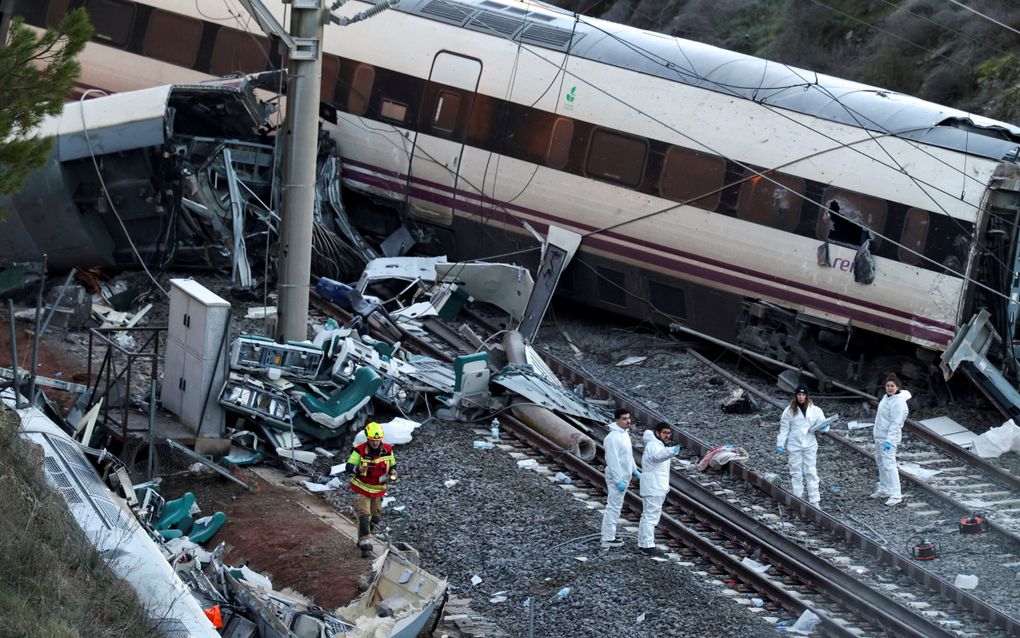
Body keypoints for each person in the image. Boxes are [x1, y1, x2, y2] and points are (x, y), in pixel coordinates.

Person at [345, 421, 396, 557]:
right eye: (373, 440)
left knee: (375, 518)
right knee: (363, 516)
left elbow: (393, 466)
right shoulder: (359, 450)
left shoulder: (387, 449)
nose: (375, 443)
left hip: (378, 489)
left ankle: (365, 535)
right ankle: (365, 545)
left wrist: (392, 473)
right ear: (368, 438)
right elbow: (348, 466)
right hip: (362, 488)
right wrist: (357, 469)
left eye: (377, 440)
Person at [776, 385, 826, 506]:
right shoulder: (789, 411)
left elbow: (823, 423)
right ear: (796, 396)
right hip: (794, 444)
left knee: (811, 471)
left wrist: (825, 427)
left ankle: (814, 501)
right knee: (796, 472)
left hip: (809, 444)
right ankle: (798, 498)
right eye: (799, 394)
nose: (801, 397)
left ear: (807, 396)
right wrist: (780, 443)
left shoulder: (815, 410)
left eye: (803, 395)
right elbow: (784, 429)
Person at [638, 422, 681, 558]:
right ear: (657, 433)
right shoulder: (654, 445)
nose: (667, 436)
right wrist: (672, 451)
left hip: (655, 486)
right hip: (654, 487)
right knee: (651, 516)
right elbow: (657, 457)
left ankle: (644, 544)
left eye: (669, 433)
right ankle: (647, 546)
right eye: (664, 433)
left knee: (649, 515)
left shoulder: (658, 444)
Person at [601, 408, 640, 549]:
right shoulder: (612, 438)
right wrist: (618, 480)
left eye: (628, 418)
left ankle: (610, 535)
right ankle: (608, 537)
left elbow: (627, 455)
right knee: (613, 506)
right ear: (617, 420)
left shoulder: (624, 434)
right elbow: (612, 460)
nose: (628, 421)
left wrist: (634, 470)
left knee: (616, 506)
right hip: (617, 477)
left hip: (624, 476)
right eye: (624, 418)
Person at [872, 374, 910, 506]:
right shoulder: (886, 398)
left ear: (897, 387)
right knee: (881, 463)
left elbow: (896, 423)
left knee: (890, 465)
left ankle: (896, 495)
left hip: (888, 439)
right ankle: (884, 489)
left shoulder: (898, 403)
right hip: (880, 436)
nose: (889, 388)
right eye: (888, 385)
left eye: (892, 386)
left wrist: (890, 440)